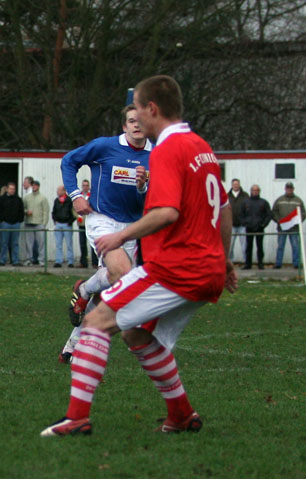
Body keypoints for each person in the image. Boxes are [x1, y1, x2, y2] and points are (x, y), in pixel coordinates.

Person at [41, 74, 238, 437]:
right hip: (207, 270)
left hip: (176, 268)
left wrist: (120, 236)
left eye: (137, 110)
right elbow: (224, 208)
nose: (135, 119)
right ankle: (181, 415)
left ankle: (77, 418)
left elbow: (167, 213)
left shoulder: (165, 149)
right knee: (136, 335)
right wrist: (223, 260)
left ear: (152, 109)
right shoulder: (202, 147)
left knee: (97, 322)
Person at [59, 104, 152, 363]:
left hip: (132, 226)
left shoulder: (156, 154)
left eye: (141, 120)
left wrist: (143, 187)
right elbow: (68, 161)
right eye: (131, 121)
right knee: (121, 272)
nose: (137, 125)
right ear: (124, 126)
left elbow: (152, 200)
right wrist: (76, 195)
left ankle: (72, 346)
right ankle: (85, 291)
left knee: (114, 284)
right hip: (102, 219)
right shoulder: (105, 146)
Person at [271, 181, 305, 269]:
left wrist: (298, 221)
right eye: (288, 188)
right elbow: (274, 212)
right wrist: (278, 221)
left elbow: (303, 213)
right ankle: (278, 263)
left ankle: (296, 264)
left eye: (290, 188)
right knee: (280, 246)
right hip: (282, 227)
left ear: (293, 189)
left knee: (295, 246)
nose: (289, 190)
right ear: (285, 189)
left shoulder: (298, 200)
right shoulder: (279, 200)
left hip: (294, 228)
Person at [240, 184, 271, 270]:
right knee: (248, 247)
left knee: (260, 247)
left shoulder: (264, 202)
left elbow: (269, 215)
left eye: (257, 190)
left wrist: (263, 224)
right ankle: (248, 264)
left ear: (259, 191)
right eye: (254, 190)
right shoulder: (246, 202)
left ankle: (260, 263)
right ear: (251, 191)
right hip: (249, 228)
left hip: (259, 228)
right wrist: (244, 223)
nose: (255, 192)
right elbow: (241, 214)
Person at [0, 182, 24, 266]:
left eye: (14, 189)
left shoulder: (18, 199)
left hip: (16, 224)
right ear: (7, 189)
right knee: (3, 243)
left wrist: (19, 220)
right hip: (5, 224)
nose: (12, 190)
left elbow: (21, 211)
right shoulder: (1, 199)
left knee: (15, 243)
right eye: (11, 189)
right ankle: (2, 260)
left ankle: (15, 261)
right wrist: (2, 220)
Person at [22, 180, 49, 266]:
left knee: (41, 243)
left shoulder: (43, 198)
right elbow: (22, 208)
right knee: (28, 243)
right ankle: (28, 260)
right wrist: (26, 212)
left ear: (38, 187)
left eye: (36, 185)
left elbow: (46, 211)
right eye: (33, 185)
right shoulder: (26, 198)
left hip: (39, 223)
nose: (34, 187)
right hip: (29, 222)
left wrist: (44, 223)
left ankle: (41, 260)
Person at [51, 185, 76, 268]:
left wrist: (69, 222)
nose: (57, 192)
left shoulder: (69, 200)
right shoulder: (56, 200)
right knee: (58, 244)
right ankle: (58, 261)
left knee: (69, 244)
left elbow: (74, 212)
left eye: (59, 190)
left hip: (67, 225)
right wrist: (55, 220)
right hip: (58, 224)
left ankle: (70, 261)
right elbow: (54, 211)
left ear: (64, 191)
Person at [76, 179, 98, 268]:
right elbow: (74, 208)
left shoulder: (92, 196)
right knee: (82, 243)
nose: (85, 187)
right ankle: (83, 262)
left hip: (90, 223)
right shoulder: (79, 197)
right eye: (84, 185)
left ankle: (95, 262)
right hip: (81, 223)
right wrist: (77, 216)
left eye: (86, 185)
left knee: (93, 243)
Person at [227, 179, 249, 263]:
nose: (235, 185)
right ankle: (230, 262)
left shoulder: (245, 195)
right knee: (230, 245)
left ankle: (246, 262)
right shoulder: (227, 196)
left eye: (237, 184)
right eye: (234, 184)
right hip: (231, 224)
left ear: (239, 185)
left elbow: (248, 209)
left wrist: (246, 220)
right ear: (232, 185)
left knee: (244, 245)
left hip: (242, 225)